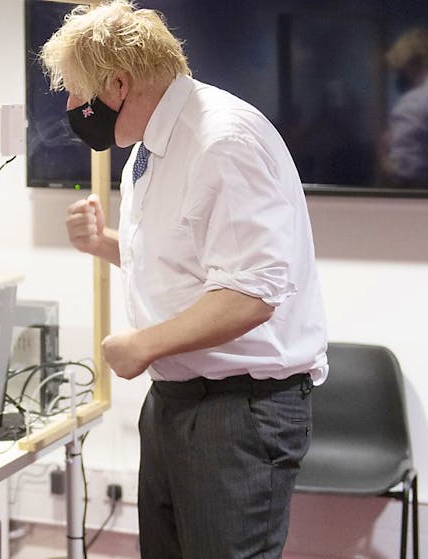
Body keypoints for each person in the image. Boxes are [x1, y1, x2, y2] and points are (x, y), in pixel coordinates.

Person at [42, 2, 327, 557]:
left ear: (118, 84)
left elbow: (251, 294)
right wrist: (103, 244)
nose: (72, 108)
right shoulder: (150, 148)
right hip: (179, 403)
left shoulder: (223, 140)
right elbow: (191, 266)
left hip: (238, 412)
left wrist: (143, 344)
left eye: (77, 92)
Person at [383, 26, 428, 186]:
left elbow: (402, 170)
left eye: (399, 69)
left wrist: (384, 157)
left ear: (411, 64)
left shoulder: (412, 104)